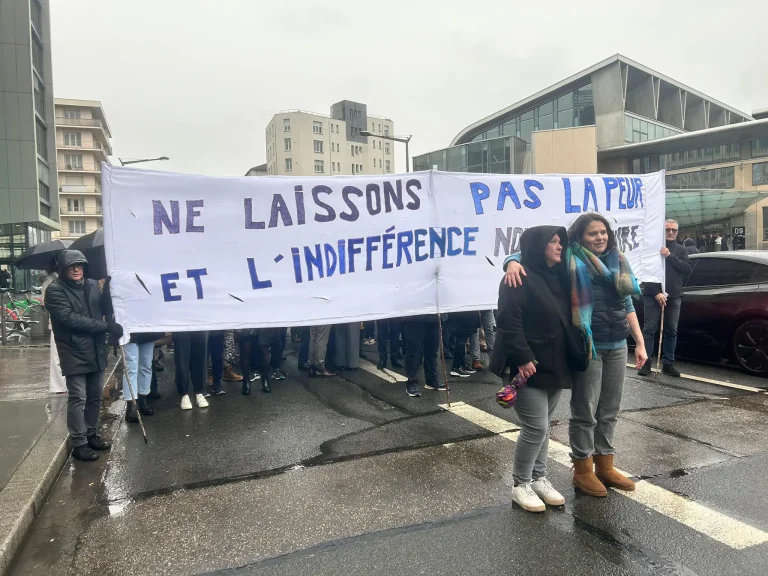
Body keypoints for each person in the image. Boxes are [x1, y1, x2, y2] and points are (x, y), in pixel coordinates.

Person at [505, 213, 647, 497]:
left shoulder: (618, 260)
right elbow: (529, 250)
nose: (600, 237)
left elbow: (627, 303)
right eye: (593, 233)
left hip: (617, 345)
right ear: (579, 237)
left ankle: (605, 464)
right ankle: (583, 470)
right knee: (585, 411)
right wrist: (511, 262)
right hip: (586, 346)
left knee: (609, 409)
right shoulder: (570, 258)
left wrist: (639, 343)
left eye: (603, 232)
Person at [492, 226, 572, 512]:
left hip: (554, 364)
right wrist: (523, 357)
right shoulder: (518, 276)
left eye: (560, 241)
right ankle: (521, 483)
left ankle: (539, 477)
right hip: (526, 365)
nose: (559, 246)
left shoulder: (558, 275)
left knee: (544, 426)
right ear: (538, 246)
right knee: (535, 427)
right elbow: (508, 320)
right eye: (552, 242)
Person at [45, 250, 123, 461]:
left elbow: (102, 307)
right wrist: (106, 327)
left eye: (80, 265)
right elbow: (70, 319)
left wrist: (108, 289)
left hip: (96, 350)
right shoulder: (55, 291)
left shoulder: (90, 285)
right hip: (74, 351)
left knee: (95, 396)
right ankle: (79, 443)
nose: (77, 269)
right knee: (78, 397)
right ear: (63, 269)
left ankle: (91, 434)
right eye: (72, 266)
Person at [639, 219, 692, 378]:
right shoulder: (651, 249)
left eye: (673, 230)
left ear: (677, 232)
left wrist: (669, 256)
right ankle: (646, 363)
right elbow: (644, 274)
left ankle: (668, 363)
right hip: (652, 296)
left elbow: (687, 268)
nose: (670, 233)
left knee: (671, 330)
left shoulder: (681, 249)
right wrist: (656, 292)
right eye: (667, 230)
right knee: (649, 330)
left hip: (674, 296)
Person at [401, 314, 447, 396]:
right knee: (413, 352)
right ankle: (412, 382)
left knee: (432, 351)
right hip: (415, 318)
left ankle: (431, 380)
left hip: (435, 318)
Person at [123, 332, 162, 423]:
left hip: (146, 330)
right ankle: (131, 404)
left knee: (146, 365)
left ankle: (142, 399)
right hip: (129, 329)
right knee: (131, 367)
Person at [40, 259, 67, 394]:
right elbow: (47, 303)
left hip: (62, 323)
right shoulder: (51, 281)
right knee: (57, 355)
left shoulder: (57, 279)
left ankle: (62, 385)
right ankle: (59, 386)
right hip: (57, 323)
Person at [173, 331, 209, 409]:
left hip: (200, 323)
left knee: (200, 357)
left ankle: (199, 392)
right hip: (181, 324)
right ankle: (184, 394)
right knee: (181, 359)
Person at [448, 312, 481, 377]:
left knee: (464, 338)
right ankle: (456, 366)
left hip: (469, 314)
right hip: (461, 315)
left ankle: (462, 363)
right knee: (460, 340)